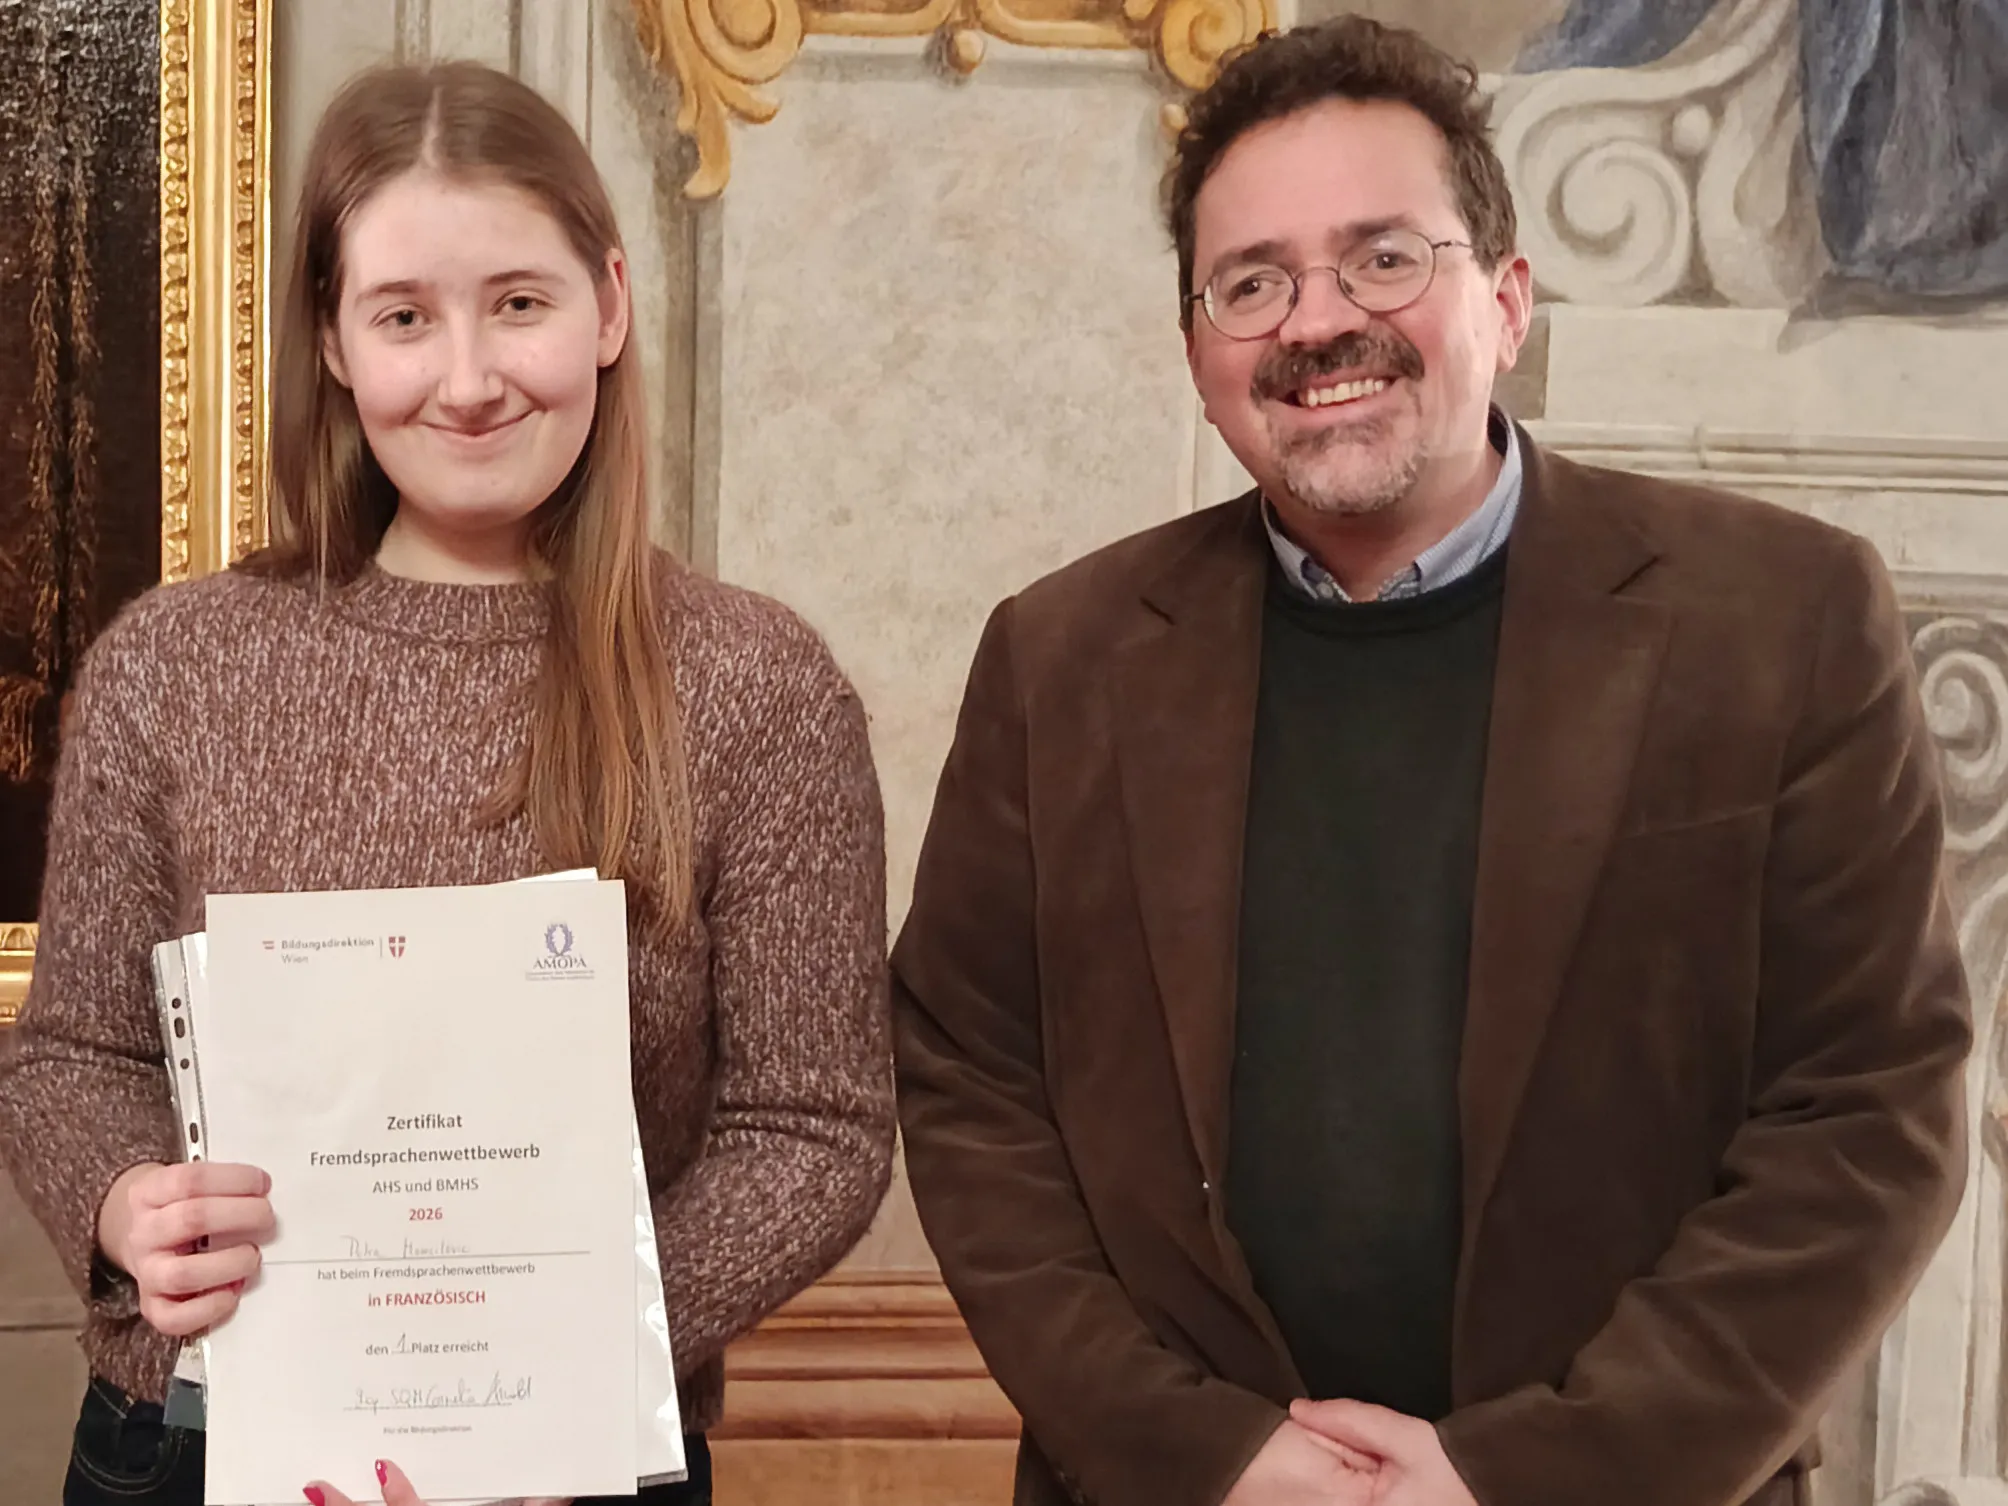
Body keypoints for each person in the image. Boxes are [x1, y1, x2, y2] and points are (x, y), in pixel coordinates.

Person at [891, 16, 1972, 1506]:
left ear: (1508, 299)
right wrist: (1202, 1450)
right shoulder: (1057, 655)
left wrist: (1525, 1473)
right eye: (1251, 281)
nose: (1318, 320)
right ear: (1199, 348)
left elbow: (1866, 1106)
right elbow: (971, 1085)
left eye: (1385, 256)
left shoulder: (1782, 620)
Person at [0, 60, 894, 1506]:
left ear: (607, 306)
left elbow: (814, 1129)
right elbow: (74, 1058)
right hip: (199, 1445)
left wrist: (565, 1369)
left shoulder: (758, 686)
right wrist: (121, 1201)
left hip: (585, 1463)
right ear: (339, 345)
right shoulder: (172, 665)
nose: (469, 377)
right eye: (406, 315)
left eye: (520, 303)